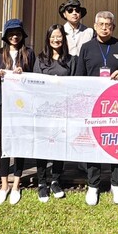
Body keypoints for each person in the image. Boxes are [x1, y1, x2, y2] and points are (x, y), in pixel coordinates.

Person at [76, 10, 118, 206]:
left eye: (108, 25)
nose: (104, 28)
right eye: (100, 24)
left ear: (113, 27)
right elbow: (79, 77)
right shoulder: (86, 48)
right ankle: (93, 185)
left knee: (115, 142)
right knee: (94, 143)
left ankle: (116, 184)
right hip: (93, 105)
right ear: (94, 26)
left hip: (116, 105)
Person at [0, 19, 35, 205]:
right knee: (5, 143)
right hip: (2, 102)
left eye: (17, 33)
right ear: (5, 36)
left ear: (22, 35)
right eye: (11, 33)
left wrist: (23, 74)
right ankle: (4, 185)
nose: (14, 36)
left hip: (22, 105)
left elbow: (35, 78)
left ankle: (17, 184)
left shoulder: (29, 53)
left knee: (20, 141)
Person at [33, 23, 76, 203]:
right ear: (48, 39)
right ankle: (42, 183)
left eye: (59, 37)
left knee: (59, 145)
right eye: (53, 37)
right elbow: (35, 82)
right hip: (44, 109)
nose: (56, 40)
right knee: (43, 145)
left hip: (63, 109)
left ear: (63, 39)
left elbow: (76, 83)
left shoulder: (71, 59)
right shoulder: (41, 59)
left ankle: (55, 180)